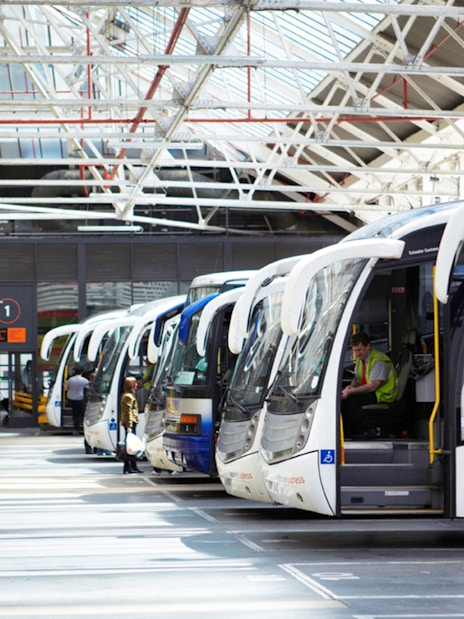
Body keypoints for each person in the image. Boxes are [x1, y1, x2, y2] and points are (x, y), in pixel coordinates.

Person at [341, 332, 398, 439]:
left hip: (384, 394)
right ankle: (350, 432)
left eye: (359, 350)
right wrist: (349, 388)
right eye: (354, 350)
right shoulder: (360, 360)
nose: (357, 354)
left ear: (368, 346)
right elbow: (358, 380)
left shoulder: (379, 360)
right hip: (375, 392)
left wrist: (351, 391)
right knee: (344, 399)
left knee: (349, 401)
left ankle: (369, 429)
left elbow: (373, 386)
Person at [120, 376, 142, 474]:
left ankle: (131, 466)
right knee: (130, 446)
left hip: (131, 422)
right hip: (130, 423)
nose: (137, 384)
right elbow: (127, 412)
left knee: (131, 445)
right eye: (135, 383)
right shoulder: (128, 396)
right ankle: (129, 466)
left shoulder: (129, 395)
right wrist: (129, 426)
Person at [65, 366, 90, 436]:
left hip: (71, 399)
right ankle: (76, 429)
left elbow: (66, 389)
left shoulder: (70, 380)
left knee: (75, 413)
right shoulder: (85, 381)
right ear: (81, 373)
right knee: (79, 414)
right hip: (80, 399)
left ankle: (75, 425)